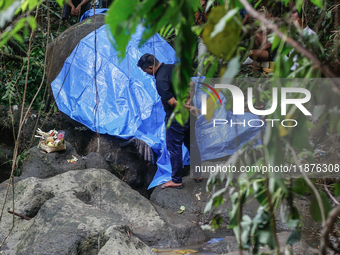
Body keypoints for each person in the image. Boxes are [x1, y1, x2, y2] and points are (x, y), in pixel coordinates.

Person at [137, 53, 201, 189]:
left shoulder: (160, 80)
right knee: (192, 143)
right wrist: (189, 101)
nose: (147, 74)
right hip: (189, 116)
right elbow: (191, 84)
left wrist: (187, 107)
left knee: (175, 148)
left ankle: (177, 180)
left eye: (146, 71)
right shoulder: (174, 68)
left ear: (150, 67)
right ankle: (198, 173)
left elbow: (172, 102)